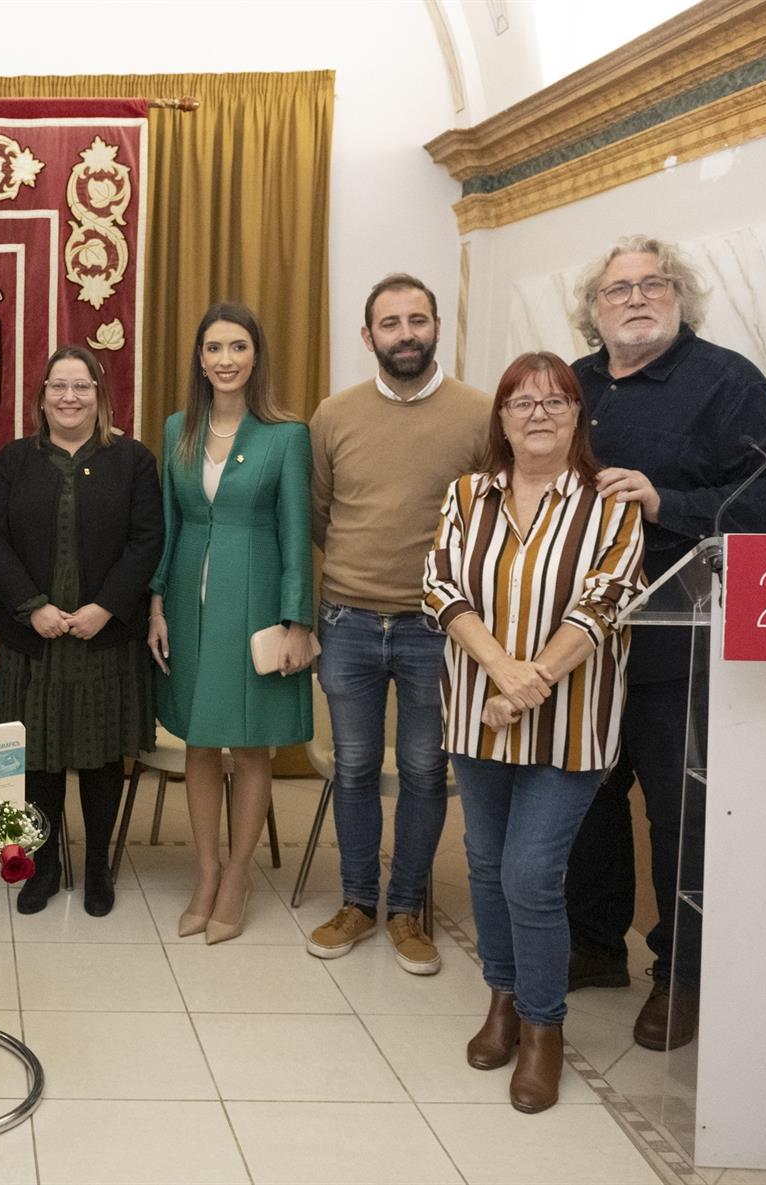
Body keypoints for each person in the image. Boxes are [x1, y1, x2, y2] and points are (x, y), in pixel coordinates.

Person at [561, 236, 766, 1051]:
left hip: (680, 640)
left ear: (681, 296)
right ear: (593, 308)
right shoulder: (573, 382)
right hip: (580, 638)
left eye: (654, 283)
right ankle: (595, 945)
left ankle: (681, 975)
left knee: (679, 814)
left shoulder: (725, 381)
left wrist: (666, 502)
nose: (636, 298)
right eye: (618, 288)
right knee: (587, 797)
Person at [423, 351, 646, 1112]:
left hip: (570, 726)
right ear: (503, 420)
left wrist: (529, 683)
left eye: (556, 401)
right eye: (522, 402)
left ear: (579, 415)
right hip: (476, 713)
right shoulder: (467, 495)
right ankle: (503, 1000)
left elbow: (604, 602)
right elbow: (440, 588)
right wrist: (502, 670)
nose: (539, 414)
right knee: (487, 866)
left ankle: (544, 1026)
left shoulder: (610, 502)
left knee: (531, 874)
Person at [304, 274, 489, 975]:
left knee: (423, 768)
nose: (405, 333)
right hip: (347, 619)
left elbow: (493, 517)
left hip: (437, 627)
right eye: (390, 323)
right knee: (352, 766)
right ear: (368, 335)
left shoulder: (480, 414)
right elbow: (320, 511)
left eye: (417, 320)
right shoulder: (334, 414)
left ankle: (408, 909)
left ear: (438, 327)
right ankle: (357, 901)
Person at [147, 302, 313, 944]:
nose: (225, 359)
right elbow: (169, 522)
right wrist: (156, 603)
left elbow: (297, 533)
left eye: (238, 347)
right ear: (200, 359)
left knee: (248, 744)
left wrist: (297, 620)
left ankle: (239, 876)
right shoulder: (177, 429)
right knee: (199, 740)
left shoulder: (285, 435)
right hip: (188, 602)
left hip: (256, 602)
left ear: (256, 356)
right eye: (214, 348)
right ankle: (207, 871)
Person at [0, 345, 162, 916]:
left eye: (82, 386)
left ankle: (97, 866)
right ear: (41, 397)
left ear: (99, 396)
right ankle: (44, 865)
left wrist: (106, 607)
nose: (69, 397)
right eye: (58, 386)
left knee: (101, 757)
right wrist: (30, 606)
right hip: (33, 639)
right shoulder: (13, 460)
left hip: (104, 637)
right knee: (38, 757)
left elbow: (147, 540)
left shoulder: (132, 460)